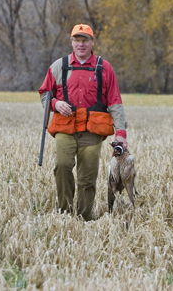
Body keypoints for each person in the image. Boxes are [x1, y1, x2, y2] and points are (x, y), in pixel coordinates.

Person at [39, 24, 127, 221]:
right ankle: (64, 214)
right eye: (77, 40)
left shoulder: (104, 68)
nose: (81, 44)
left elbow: (115, 102)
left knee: (88, 177)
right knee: (62, 166)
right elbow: (44, 94)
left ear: (92, 42)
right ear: (71, 42)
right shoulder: (58, 66)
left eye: (85, 39)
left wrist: (121, 133)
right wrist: (55, 103)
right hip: (65, 127)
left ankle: (84, 218)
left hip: (92, 130)